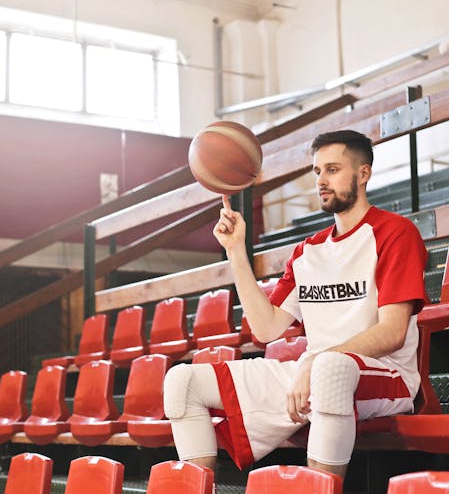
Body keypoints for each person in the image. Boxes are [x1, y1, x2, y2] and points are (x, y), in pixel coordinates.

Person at [163, 129, 428, 477]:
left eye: (332, 169)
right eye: (317, 171)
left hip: (386, 372)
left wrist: (318, 360)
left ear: (363, 173)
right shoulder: (307, 251)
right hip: (315, 371)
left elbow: (392, 333)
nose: (321, 180)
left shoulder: (395, 232)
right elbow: (266, 328)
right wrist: (235, 252)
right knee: (182, 382)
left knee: (327, 372)